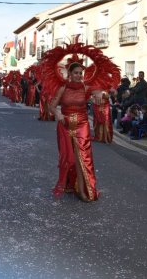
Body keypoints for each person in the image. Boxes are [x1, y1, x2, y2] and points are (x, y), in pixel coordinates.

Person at [49, 61, 104, 201]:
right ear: (69, 74)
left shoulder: (85, 87)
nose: (79, 75)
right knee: (69, 158)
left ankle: (84, 189)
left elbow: (98, 90)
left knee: (84, 157)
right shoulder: (63, 88)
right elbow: (52, 106)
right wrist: (58, 114)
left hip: (82, 124)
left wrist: (99, 94)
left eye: (81, 73)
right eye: (76, 73)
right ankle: (71, 184)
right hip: (65, 125)